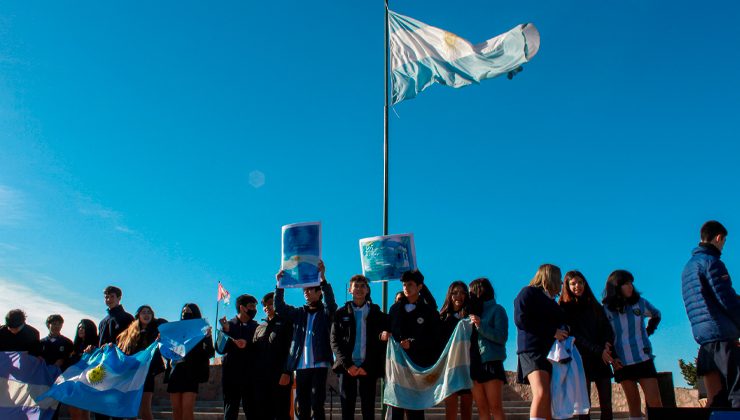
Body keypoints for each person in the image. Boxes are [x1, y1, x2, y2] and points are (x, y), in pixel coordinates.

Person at [682, 220, 740, 408]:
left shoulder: (688, 267)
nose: (723, 246)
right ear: (718, 238)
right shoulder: (712, 263)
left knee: (716, 399)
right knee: (736, 393)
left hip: (704, 339)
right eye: (723, 242)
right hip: (722, 336)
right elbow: (727, 300)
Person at [275, 260, 337, 420]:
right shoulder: (298, 313)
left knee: (317, 404)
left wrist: (323, 279)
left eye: (310, 290)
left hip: (319, 364)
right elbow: (280, 308)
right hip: (300, 366)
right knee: (302, 405)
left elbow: (331, 305)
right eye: (305, 290)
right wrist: (279, 285)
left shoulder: (325, 314)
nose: (306, 292)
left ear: (319, 293)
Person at [602, 270, 662, 418]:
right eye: (626, 284)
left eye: (631, 283)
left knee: (655, 402)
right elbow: (604, 336)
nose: (630, 287)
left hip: (643, 357)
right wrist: (613, 357)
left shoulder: (640, 303)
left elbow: (656, 314)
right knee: (633, 403)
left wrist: (648, 331)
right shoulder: (606, 309)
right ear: (616, 287)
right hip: (621, 361)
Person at [330, 274, 389, 420]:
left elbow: (380, 344)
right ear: (350, 289)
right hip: (347, 368)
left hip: (368, 368)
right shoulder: (340, 314)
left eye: (363, 286)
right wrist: (347, 365)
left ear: (368, 290)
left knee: (368, 410)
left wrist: (367, 366)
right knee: (347, 410)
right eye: (356, 286)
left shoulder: (377, 314)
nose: (359, 289)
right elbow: (334, 341)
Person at [514, 264, 568, 420]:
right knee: (541, 392)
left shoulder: (553, 303)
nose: (561, 283)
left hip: (550, 353)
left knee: (548, 397)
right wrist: (552, 331)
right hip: (531, 350)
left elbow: (561, 322)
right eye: (559, 278)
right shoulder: (528, 293)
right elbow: (521, 319)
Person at [559, 271, 615, 420]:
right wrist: (598, 350)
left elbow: (607, 328)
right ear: (567, 286)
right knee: (584, 407)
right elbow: (575, 336)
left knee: (607, 405)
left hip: (601, 359)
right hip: (581, 360)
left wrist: (607, 346)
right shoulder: (565, 308)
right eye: (573, 283)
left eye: (580, 282)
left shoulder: (595, 305)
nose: (577, 286)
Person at [387, 269, 441, 419]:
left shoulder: (428, 312)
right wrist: (383, 334)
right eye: (404, 284)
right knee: (396, 408)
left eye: (410, 284)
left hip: (417, 366)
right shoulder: (394, 309)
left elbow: (434, 339)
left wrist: (413, 344)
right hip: (396, 367)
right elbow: (387, 329)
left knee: (415, 411)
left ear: (419, 287)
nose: (406, 287)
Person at [468, 278, 508, 420]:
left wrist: (481, 326)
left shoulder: (498, 310)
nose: (469, 295)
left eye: (471, 291)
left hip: (491, 362)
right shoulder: (470, 312)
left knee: (495, 407)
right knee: (481, 409)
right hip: (474, 363)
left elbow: (501, 337)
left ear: (479, 291)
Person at [116, 305, 166, 420]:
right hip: (132, 374)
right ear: (138, 315)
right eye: (144, 312)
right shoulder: (129, 333)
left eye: (149, 312)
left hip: (147, 374)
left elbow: (166, 326)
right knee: (130, 410)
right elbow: (122, 350)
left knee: (145, 409)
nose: (146, 314)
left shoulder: (156, 330)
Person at [167, 303, 215, 420]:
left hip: (191, 373)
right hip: (176, 372)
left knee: (187, 409)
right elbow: (168, 350)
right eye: (183, 311)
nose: (185, 313)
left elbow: (210, 353)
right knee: (176, 409)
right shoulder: (176, 331)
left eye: (188, 311)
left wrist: (208, 338)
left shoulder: (202, 331)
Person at [253, 292, 294, 420]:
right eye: (265, 305)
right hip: (262, 379)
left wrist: (287, 372)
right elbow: (254, 352)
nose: (267, 307)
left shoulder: (287, 323)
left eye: (270, 304)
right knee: (264, 413)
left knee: (282, 413)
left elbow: (291, 349)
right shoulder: (259, 327)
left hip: (281, 377)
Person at [217, 294, 259, 420]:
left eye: (255, 307)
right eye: (251, 306)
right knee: (230, 410)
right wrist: (226, 331)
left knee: (252, 411)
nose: (254, 310)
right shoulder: (228, 325)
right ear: (242, 308)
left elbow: (260, 349)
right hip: (231, 376)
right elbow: (219, 348)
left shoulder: (257, 327)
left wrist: (247, 343)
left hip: (251, 377)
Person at [439, 281, 474, 420]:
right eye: (454, 293)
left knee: (467, 411)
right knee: (451, 412)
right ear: (449, 295)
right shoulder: (442, 318)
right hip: (450, 368)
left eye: (462, 292)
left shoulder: (471, 317)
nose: (458, 296)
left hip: (467, 367)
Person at [68, 319, 99, 420]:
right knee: (75, 412)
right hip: (74, 382)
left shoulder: (95, 346)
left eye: (83, 328)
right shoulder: (75, 346)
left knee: (83, 412)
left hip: (87, 383)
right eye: (79, 327)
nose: (80, 329)